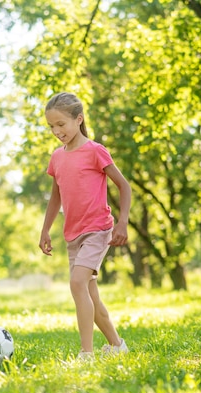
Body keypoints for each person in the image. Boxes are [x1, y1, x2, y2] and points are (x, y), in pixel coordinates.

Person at [39, 92, 131, 359]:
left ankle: (86, 353)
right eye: (51, 126)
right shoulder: (57, 157)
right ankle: (117, 346)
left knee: (77, 284)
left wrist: (122, 223)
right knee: (90, 293)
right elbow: (55, 196)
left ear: (78, 119)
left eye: (61, 124)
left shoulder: (95, 151)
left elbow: (124, 186)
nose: (57, 131)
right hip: (73, 234)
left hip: (98, 229)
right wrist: (45, 229)